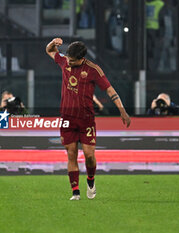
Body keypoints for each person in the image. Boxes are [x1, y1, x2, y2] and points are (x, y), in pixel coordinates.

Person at [46, 38, 131, 201]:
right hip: (67, 119)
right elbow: (50, 50)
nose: (69, 63)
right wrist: (52, 43)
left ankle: (91, 181)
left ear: (82, 59)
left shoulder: (93, 70)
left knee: (89, 155)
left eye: (73, 61)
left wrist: (122, 110)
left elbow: (109, 89)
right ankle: (75, 192)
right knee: (71, 154)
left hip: (86, 120)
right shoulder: (64, 61)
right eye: (68, 59)